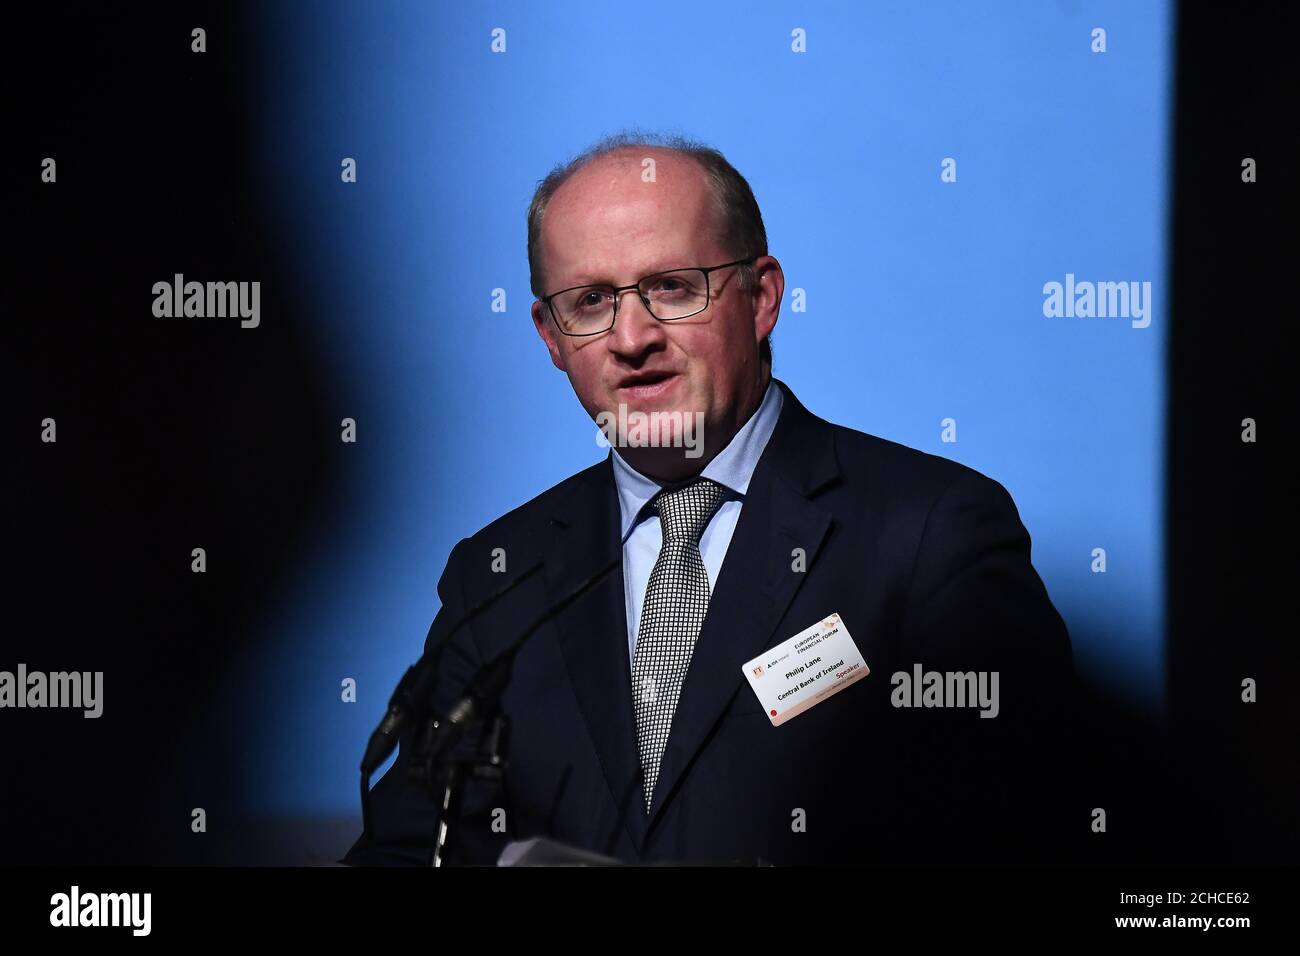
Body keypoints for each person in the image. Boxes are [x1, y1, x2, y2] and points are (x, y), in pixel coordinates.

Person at [343, 131, 1078, 867]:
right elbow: (410, 847)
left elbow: (1028, 824)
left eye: (671, 287)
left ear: (761, 300)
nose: (631, 338)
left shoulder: (929, 535)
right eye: (591, 300)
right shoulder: (500, 576)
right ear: (551, 337)